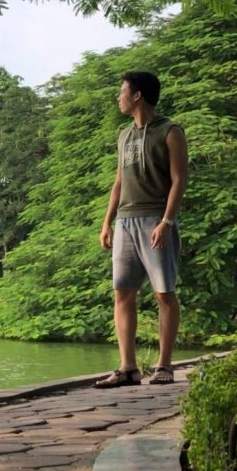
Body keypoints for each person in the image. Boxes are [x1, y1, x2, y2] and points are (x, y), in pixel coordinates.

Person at [96, 72, 188, 388]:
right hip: (125, 221)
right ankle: (128, 368)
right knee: (123, 293)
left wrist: (167, 221)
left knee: (164, 293)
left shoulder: (170, 131)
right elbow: (119, 183)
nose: (118, 98)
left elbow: (179, 180)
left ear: (137, 96)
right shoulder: (123, 136)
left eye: (122, 92)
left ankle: (164, 365)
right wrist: (107, 222)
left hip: (155, 220)